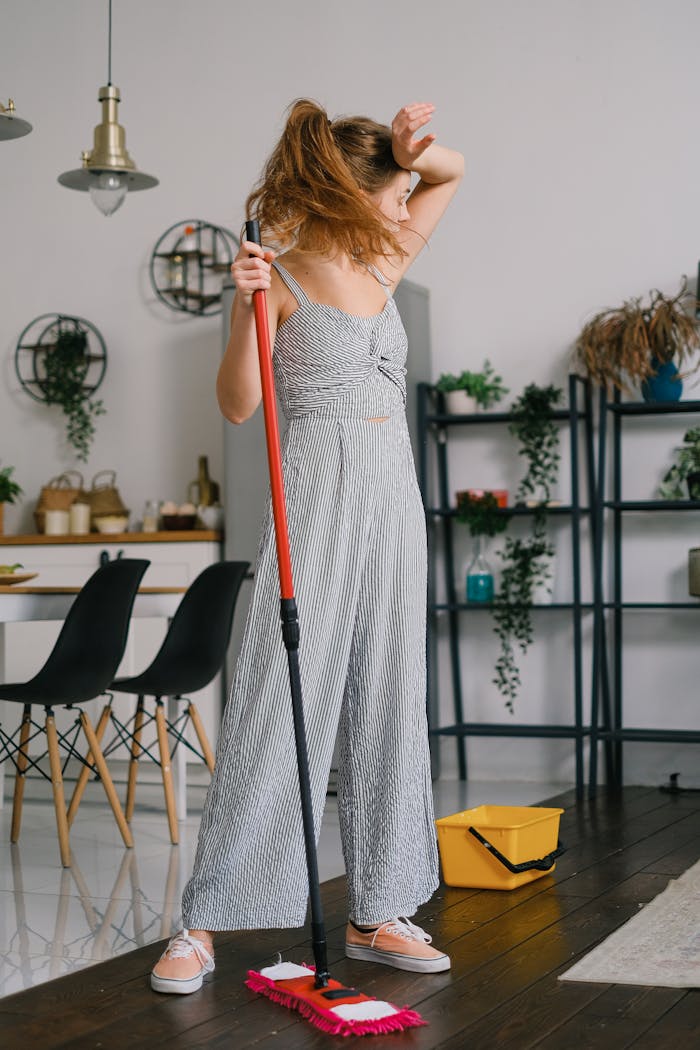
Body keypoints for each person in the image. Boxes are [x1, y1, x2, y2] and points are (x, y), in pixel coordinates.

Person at [151, 98, 464, 995]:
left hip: (393, 508)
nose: (408, 207)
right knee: (274, 707)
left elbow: (454, 172)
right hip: (315, 505)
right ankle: (202, 923)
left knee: (392, 702)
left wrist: (411, 153)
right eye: (393, 192)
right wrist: (249, 297)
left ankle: (380, 908)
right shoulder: (278, 272)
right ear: (346, 192)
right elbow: (240, 406)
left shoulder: (387, 257)